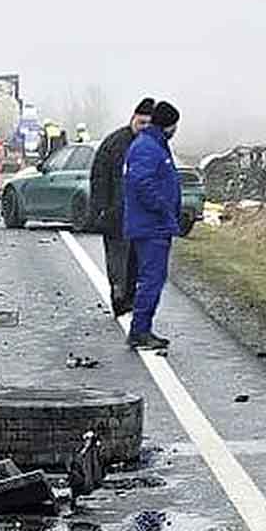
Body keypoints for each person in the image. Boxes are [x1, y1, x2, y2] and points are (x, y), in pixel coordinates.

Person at [123, 100, 182, 351]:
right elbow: (142, 183)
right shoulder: (148, 147)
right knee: (152, 279)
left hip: (155, 224)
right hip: (151, 225)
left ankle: (142, 328)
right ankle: (140, 331)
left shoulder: (154, 144)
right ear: (168, 124)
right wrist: (162, 207)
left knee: (152, 278)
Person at [88, 97, 154, 316]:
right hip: (115, 213)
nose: (144, 127)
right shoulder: (115, 143)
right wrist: (100, 209)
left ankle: (130, 298)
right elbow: (99, 177)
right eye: (141, 122)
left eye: (148, 124)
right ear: (133, 119)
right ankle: (118, 295)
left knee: (136, 260)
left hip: (141, 215)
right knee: (117, 258)